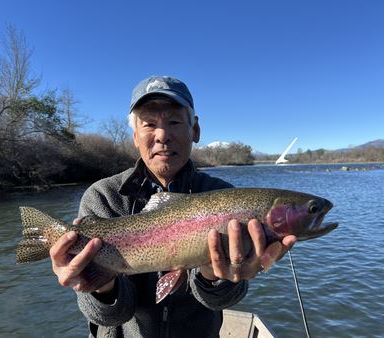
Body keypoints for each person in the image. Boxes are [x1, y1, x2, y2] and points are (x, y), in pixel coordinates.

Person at [49, 76, 297, 338]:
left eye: (175, 122)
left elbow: (220, 301)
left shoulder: (223, 197)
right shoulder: (103, 196)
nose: (162, 136)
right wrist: (99, 284)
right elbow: (111, 316)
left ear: (195, 130)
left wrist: (215, 276)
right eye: (149, 124)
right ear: (135, 136)